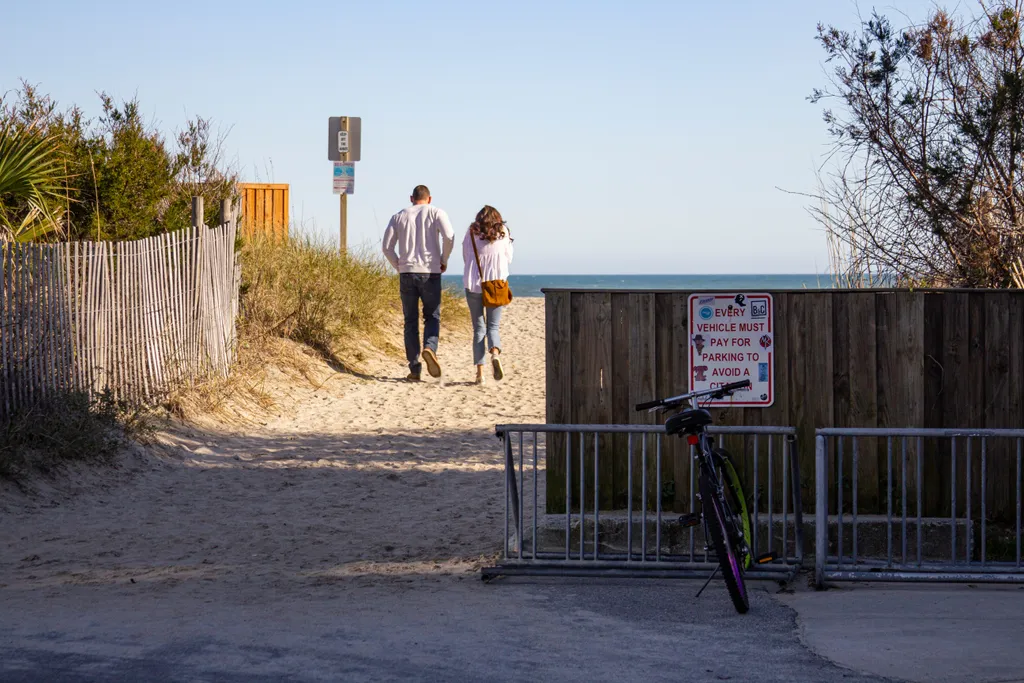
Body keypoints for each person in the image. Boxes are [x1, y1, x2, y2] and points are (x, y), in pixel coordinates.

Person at [382, 185, 455, 381]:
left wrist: (398, 265)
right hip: (430, 272)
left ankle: (414, 368)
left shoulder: (398, 216)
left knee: (410, 320)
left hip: (407, 272)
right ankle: (430, 347)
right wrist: (444, 259)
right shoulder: (436, 212)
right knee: (432, 316)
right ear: (429, 199)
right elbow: (449, 236)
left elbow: (386, 246)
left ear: (411, 198)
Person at [462, 205, 514, 385]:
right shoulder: (503, 231)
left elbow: (466, 256)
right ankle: (495, 354)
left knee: (478, 329)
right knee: (493, 327)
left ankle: (480, 374)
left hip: (474, 284)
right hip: (496, 284)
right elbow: (509, 258)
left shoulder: (471, 233)